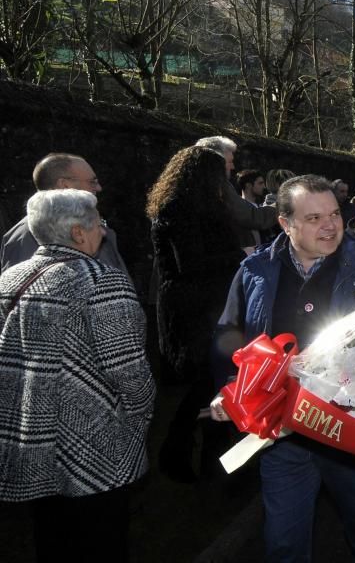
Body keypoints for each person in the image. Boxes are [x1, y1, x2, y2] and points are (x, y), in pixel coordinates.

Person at [213, 175, 355, 562]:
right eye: (313, 218)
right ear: (285, 224)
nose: (330, 225)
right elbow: (229, 332)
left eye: (334, 214)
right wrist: (230, 386)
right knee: (284, 541)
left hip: (348, 426)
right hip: (282, 430)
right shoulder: (255, 270)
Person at [0, 189, 154, 562]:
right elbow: (130, 373)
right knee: (101, 541)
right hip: (95, 443)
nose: (102, 230)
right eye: (98, 222)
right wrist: (140, 417)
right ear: (78, 234)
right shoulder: (104, 282)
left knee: (52, 537)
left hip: (31, 436)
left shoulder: (9, 280)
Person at [147, 147, 246, 483]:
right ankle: (179, 454)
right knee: (205, 383)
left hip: (209, 308)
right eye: (223, 170)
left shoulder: (200, 206)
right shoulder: (179, 208)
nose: (229, 175)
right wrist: (239, 254)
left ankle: (207, 461)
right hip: (192, 312)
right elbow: (189, 264)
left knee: (211, 383)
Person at [1, 153, 129, 277]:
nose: (99, 188)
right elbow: (28, 294)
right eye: (92, 182)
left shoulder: (91, 225)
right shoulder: (29, 234)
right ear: (65, 185)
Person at [195, 136, 278, 254]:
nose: (232, 166)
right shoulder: (219, 186)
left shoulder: (192, 184)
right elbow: (253, 217)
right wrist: (284, 204)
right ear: (215, 161)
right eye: (229, 161)